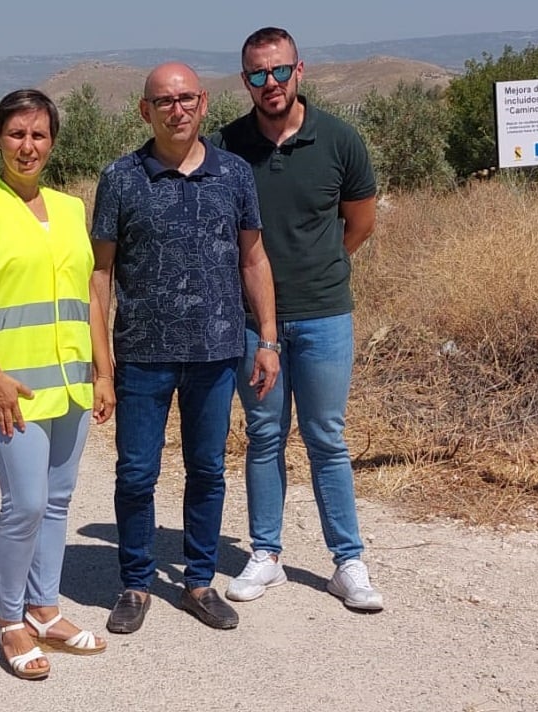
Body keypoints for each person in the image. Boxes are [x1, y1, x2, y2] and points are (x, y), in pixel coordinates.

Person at [91, 62, 279, 633]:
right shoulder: (121, 178)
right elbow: (100, 275)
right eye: (164, 101)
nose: (177, 109)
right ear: (145, 110)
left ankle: (198, 581)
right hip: (142, 355)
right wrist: (102, 365)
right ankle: (135, 583)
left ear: (202, 104)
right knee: (136, 473)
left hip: (216, 351)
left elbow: (253, 258)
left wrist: (267, 340)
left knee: (207, 470)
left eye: (187, 99)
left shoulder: (234, 174)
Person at [0, 89, 113, 680]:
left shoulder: (69, 209)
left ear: (53, 142)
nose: (28, 146)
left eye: (38, 135)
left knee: (58, 501)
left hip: (71, 383)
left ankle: (44, 609)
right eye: (17, 134)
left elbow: (87, 294)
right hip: (10, 388)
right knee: (27, 504)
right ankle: (9, 621)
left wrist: (104, 369)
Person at [212, 27, 384, 612]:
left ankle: (348, 562)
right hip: (250, 322)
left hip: (324, 315)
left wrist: (322, 269)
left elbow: (358, 224)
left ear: (299, 70)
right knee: (263, 437)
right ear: (246, 82)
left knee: (326, 438)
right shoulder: (226, 146)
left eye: (279, 71)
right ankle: (266, 554)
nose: (270, 84)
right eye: (258, 75)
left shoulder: (339, 140)